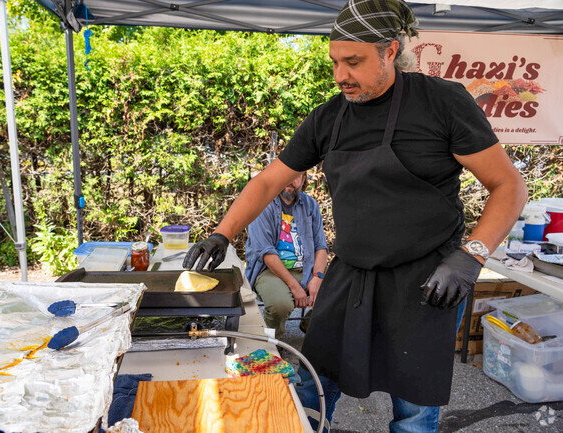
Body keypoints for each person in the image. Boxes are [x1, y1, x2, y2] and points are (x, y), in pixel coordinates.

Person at [183, 1, 529, 432]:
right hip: (352, 274)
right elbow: (269, 182)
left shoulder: (443, 103)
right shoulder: (329, 117)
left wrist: (471, 255)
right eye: (334, 62)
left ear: (390, 51)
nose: (341, 75)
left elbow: (510, 186)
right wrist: (222, 232)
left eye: (353, 61)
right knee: (311, 385)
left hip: (427, 279)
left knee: (415, 412)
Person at [244, 171, 328, 338]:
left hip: (306, 267)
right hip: (270, 270)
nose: (290, 180)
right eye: (286, 174)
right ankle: (273, 340)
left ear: (303, 179)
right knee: (280, 305)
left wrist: (317, 277)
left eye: (297, 175)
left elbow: (321, 247)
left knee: (340, 292)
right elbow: (266, 253)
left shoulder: (310, 205)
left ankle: (309, 323)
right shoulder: (262, 204)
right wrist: (295, 287)